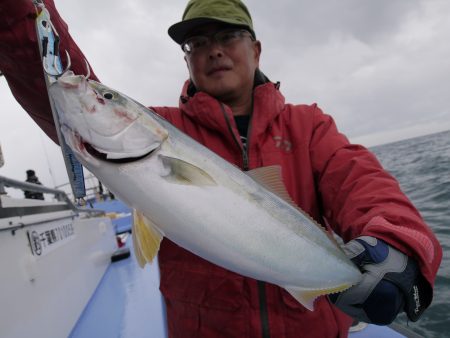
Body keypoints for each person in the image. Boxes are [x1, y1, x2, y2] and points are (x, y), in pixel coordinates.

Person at [0, 0, 442, 337]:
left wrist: (397, 241)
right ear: (186, 59)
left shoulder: (307, 126)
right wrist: (21, 14)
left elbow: (362, 181)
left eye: (227, 36)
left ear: (256, 48)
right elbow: (59, 81)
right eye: (197, 43)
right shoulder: (167, 128)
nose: (213, 51)